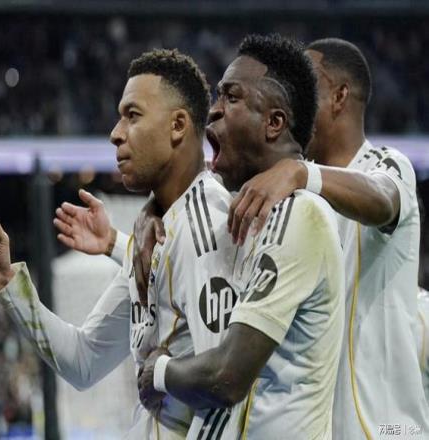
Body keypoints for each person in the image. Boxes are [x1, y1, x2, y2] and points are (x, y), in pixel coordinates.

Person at [0, 48, 233, 439]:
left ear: (178, 125)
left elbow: (227, 389)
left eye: (132, 115)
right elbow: (83, 362)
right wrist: (11, 286)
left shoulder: (207, 224)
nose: (116, 133)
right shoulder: (152, 241)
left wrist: (161, 373)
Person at [137, 34, 345, 439]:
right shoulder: (249, 215)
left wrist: (157, 371)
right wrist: (152, 210)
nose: (213, 110)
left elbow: (226, 378)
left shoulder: (300, 215)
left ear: (273, 123)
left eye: (231, 97)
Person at [223, 38, 429, 437]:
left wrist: (301, 172)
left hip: (385, 429)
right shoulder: (289, 195)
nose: (296, 101)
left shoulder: (386, 165)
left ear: (339, 96)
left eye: (308, 87)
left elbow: (383, 199)